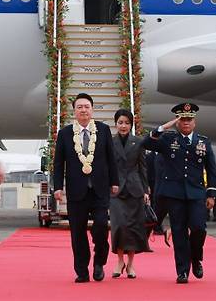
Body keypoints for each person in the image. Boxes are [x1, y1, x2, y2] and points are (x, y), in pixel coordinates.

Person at [142, 102, 216, 284]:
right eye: (182, 119)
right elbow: (146, 143)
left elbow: (212, 169)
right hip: (174, 194)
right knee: (179, 232)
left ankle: (195, 258)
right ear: (177, 122)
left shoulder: (203, 141)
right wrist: (162, 128)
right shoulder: (168, 139)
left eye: (189, 119)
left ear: (194, 122)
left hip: (196, 193)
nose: (186, 122)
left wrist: (211, 194)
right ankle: (182, 271)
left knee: (199, 228)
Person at [53, 93, 119, 283]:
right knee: (77, 232)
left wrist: (114, 182)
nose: (83, 110)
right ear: (74, 111)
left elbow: (111, 159)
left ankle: (99, 262)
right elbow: (59, 163)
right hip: (76, 190)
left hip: (100, 188)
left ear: (92, 109)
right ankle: (82, 270)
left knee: (100, 226)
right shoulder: (65, 133)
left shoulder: (103, 130)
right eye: (80, 107)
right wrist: (57, 187)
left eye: (87, 106)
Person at [109, 109, 151, 279]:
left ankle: (131, 265)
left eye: (126, 123)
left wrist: (146, 190)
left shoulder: (138, 142)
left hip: (135, 188)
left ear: (131, 125)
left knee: (133, 227)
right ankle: (120, 261)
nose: (123, 126)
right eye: (120, 122)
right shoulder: (110, 142)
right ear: (116, 124)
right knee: (119, 226)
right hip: (116, 189)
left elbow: (143, 168)